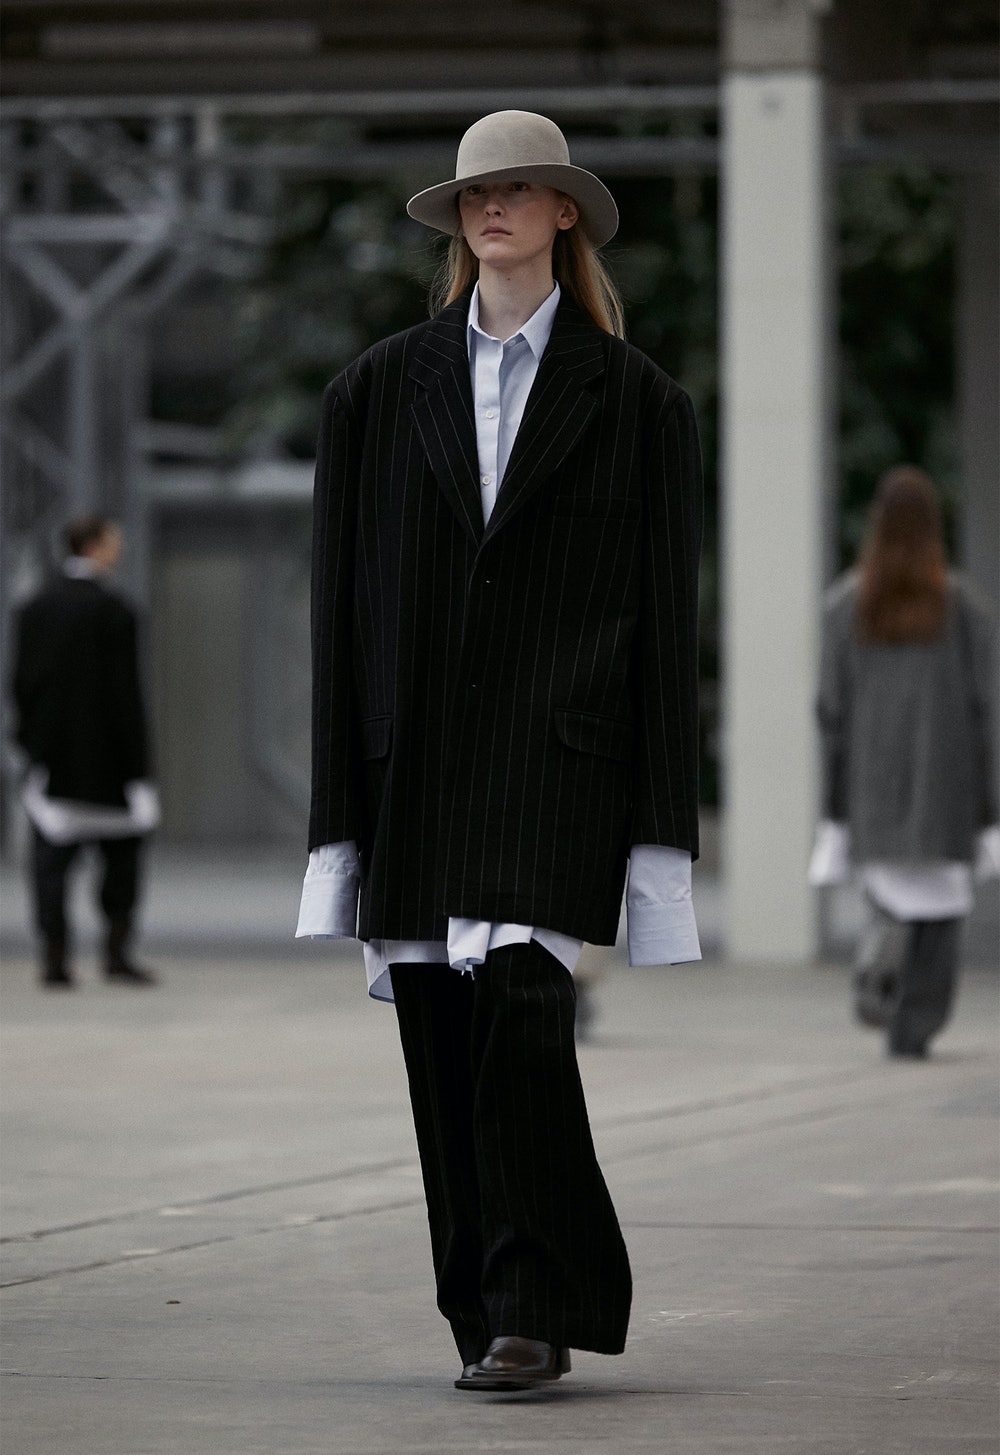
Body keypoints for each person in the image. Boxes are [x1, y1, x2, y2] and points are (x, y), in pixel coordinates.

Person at [296, 111, 703, 1391]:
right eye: (476, 191)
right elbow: (338, 617)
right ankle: (483, 1307)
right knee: (440, 1052)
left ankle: (538, 1303)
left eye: (518, 188)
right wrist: (335, 818)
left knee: (523, 1025)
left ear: (563, 211)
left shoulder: (637, 402)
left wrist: (662, 837)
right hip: (413, 767)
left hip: (554, 768)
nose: (490, 206)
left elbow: (664, 628)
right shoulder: (373, 392)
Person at [810, 466, 999, 1058]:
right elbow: (988, 708)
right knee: (939, 919)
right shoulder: (963, 608)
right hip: (947, 792)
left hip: (873, 792)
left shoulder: (846, 605)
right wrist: (990, 805)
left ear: (878, 523)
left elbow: (830, 711)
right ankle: (914, 1023)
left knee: (890, 904)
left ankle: (881, 978)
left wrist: (835, 806)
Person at [11, 515, 160, 989]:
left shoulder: (34, 608)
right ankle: (117, 953)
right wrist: (139, 765)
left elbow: (22, 685)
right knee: (121, 862)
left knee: (50, 866)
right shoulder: (116, 610)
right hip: (110, 762)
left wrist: (32, 746)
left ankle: (54, 957)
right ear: (93, 546)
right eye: (113, 541)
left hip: (54, 760)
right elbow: (126, 695)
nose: (120, 549)